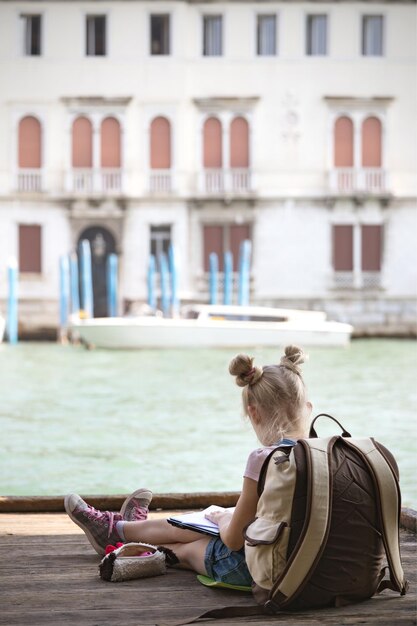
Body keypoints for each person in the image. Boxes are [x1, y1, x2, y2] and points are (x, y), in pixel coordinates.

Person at [65, 345, 312, 587]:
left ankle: (123, 539)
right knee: (207, 525)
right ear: (308, 409)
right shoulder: (325, 455)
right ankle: (130, 530)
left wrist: (225, 519)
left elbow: (235, 540)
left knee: (198, 538)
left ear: (254, 413)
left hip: (260, 570)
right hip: (314, 568)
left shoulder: (264, 459)